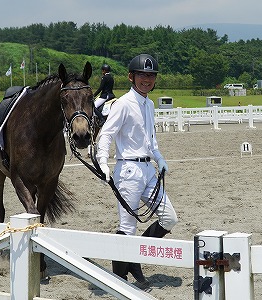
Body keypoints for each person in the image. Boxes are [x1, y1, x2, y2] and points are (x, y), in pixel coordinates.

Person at [96, 54, 178, 289]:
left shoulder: (149, 104)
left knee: (169, 218)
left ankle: (134, 259)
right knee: (127, 227)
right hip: (129, 171)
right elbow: (107, 134)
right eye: (142, 75)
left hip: (149, 170)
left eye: (151, 75)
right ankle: (119, 281)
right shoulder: (122, 104)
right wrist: (103, 162)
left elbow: (150, 140)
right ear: (132, 77)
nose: (147, 79)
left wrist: (160, 158)